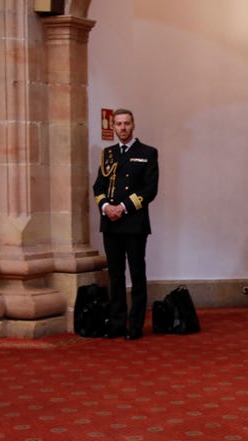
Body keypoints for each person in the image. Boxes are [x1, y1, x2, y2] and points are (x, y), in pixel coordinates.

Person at [92, 108, 160, 341]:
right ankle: (118, 323)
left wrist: (122, 207)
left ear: (133, 125)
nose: (122, 128)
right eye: (119, 124)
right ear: (113, 126)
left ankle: (135, 325)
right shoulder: (108, 154)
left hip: (134, 223)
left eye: (126, 123)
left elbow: (150, 190)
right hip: (110, 223)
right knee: (115, 275)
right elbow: (98, 186)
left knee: (137, 274)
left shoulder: (147, 152)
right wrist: (105, 207)